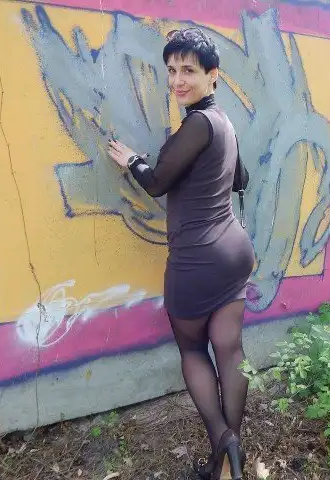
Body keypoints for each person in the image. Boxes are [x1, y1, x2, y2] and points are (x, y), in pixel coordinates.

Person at [107, 27, 255, 480]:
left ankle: (224, 442)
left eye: (188, 70)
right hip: (234, 252)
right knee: (229, 351)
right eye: (171, 70)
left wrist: (132, 160)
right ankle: (227, 463)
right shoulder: (224, 122)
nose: (176, 80)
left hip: (197, 260)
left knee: (193, 349)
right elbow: (241, 179)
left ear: (213, 75)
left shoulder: (198, 124)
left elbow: (156, 183)